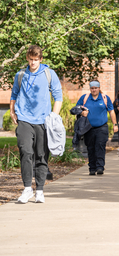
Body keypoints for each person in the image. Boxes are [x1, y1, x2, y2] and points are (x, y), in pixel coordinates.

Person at [10, 45, 63, 203]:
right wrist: (12, 112)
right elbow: (14, 94)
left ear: (41, 59)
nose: (33, 62)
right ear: (27, 58)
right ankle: (27, 189)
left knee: (41, 156)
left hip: (43, 121)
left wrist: (54, 116)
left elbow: (58, 96)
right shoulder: (21, 74)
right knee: (25, 152)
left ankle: (39, 190)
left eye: (36, 60)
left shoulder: (49, 74)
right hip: (24, 119)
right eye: (30, 59)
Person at [76, 80, 118, 175]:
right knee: (90, 148)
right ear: (90, 89)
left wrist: (115, 124)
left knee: (100, 147)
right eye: (92, 88)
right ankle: (92, 167)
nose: (94, 90)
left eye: (96, 88)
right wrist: (82, 112)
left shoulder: (105, 98)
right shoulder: (85, 98)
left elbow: (111, 111)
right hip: (88, 128)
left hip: (102, 127)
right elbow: (76, 109)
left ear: (99, 88)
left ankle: (100, 167)